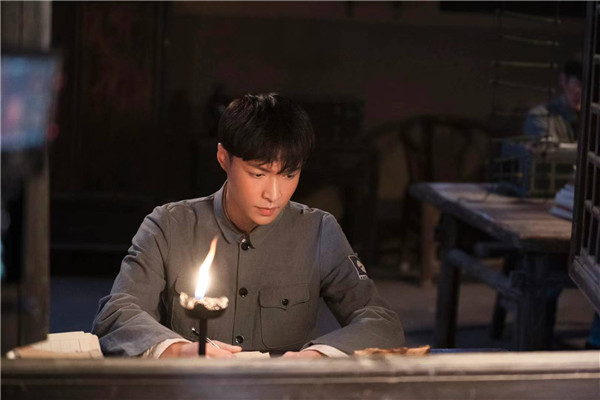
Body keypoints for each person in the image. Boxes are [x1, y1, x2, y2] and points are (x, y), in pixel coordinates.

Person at [92, 93, 405, 358]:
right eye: (258, 174)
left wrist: (315, 357)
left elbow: (380, 321)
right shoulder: (169, 226)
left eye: (289, 175)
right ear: (223, 158)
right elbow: (117, 313)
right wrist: (178, 350)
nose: (274, 194)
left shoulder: (319, 231)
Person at [523, 60, 582, 144]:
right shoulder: (540, 116)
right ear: (563, 80)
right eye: (579, 85)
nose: (583, 93)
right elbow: (549, 150)